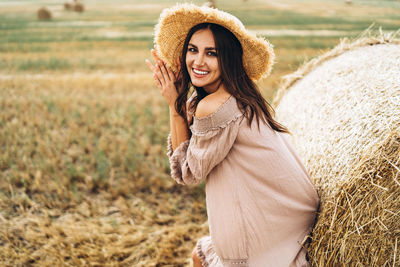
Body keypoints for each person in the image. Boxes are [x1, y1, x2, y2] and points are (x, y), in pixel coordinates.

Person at [146, 4, 319, 267]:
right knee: (199, 256)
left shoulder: (215, 105)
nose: (198, 61)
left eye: (211, 53)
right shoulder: (237, 94)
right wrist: (182, 104)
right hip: (289, 206)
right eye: (192, 50)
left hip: (269, 217)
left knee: (204, 257)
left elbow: (188, 173)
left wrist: (174, 107)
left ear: (227, 59)